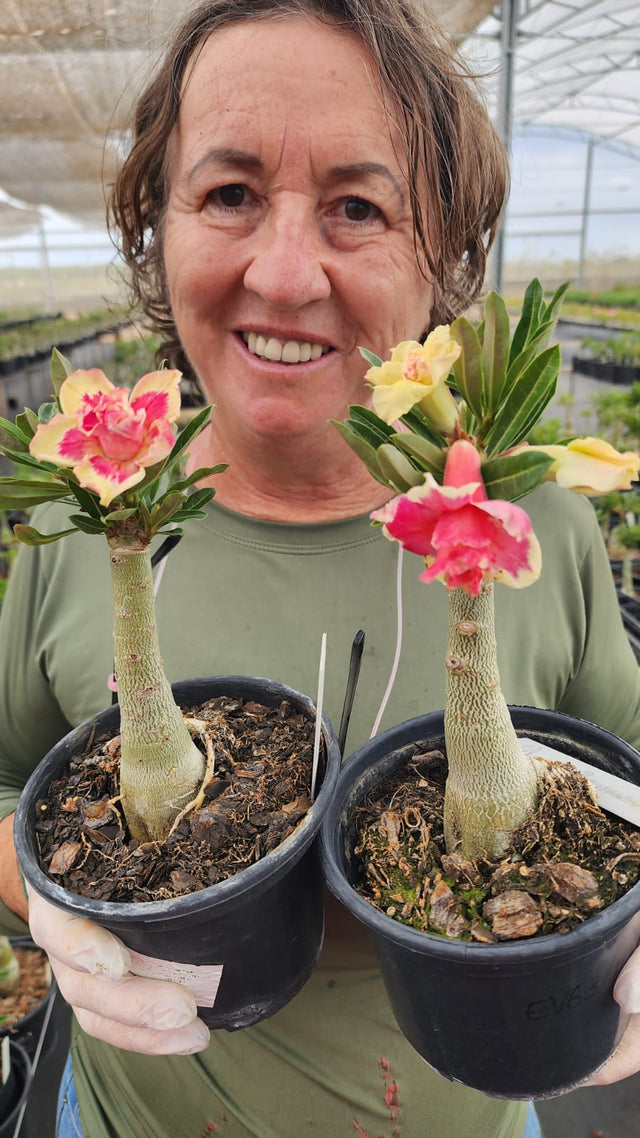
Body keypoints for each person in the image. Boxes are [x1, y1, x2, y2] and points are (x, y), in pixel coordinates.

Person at [1, 2, 640, 1135]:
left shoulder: (539, 522)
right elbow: (7, 782)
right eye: (229, 194)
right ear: (157, 229)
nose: (286, 274)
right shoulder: (80, 523)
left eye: (358, 207)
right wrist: (43, 903)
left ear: (444, 259)